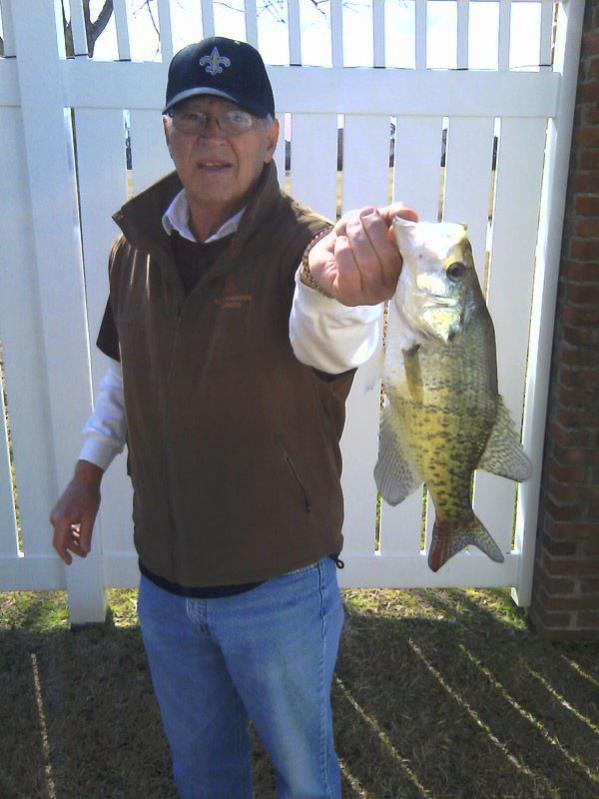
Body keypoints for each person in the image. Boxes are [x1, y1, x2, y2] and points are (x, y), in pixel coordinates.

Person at [50, 36, 416, 799]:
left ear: (271, 134)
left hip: (277, 585)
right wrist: (86, 474)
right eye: (193, 117)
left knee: (304, 778)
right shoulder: (133, 249)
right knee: (203, 774)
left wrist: (345, 298)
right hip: (164, 578)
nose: (212, 135)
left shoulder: (309, 251)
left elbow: (331, 338)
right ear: (167, 132)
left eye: (236, 117)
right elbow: (124, 376)